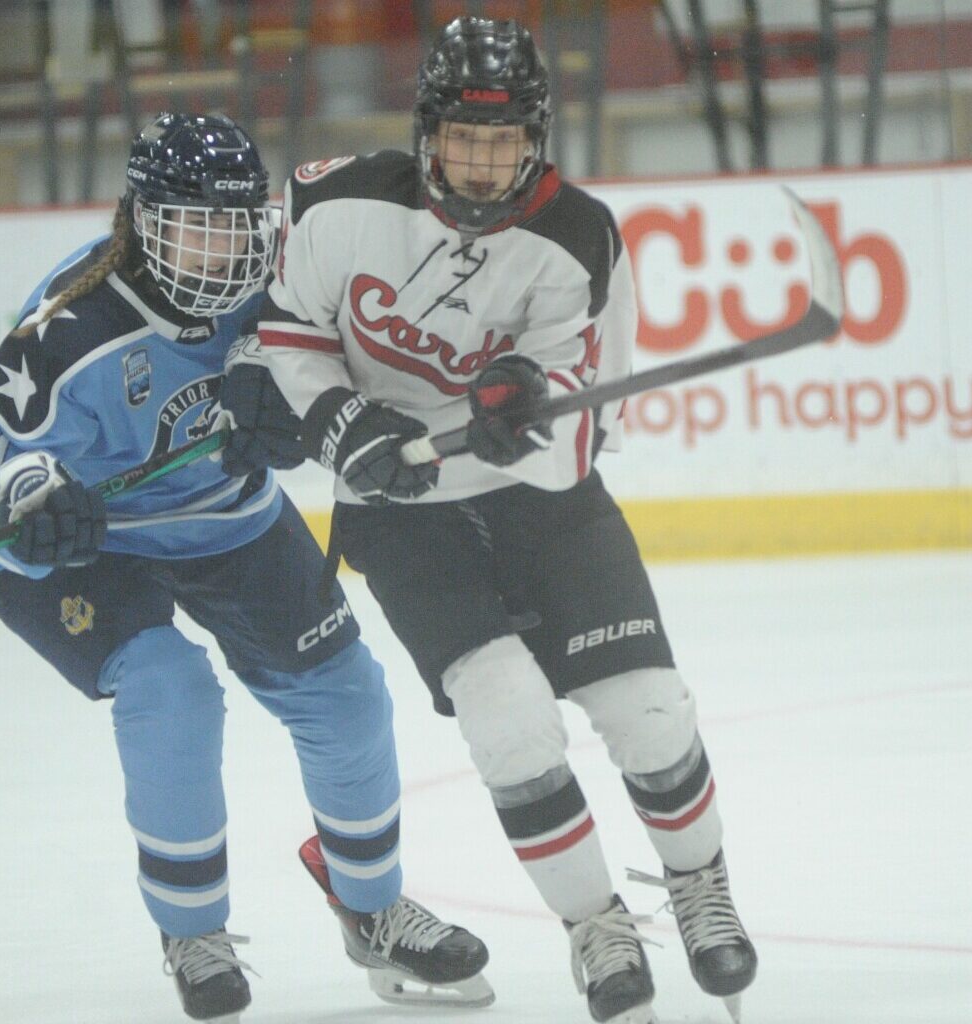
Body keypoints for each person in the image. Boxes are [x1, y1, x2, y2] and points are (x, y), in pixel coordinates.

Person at [255, 16, 759, 1024]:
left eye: (505, 143)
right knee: (511, 726)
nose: (483, 165)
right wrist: (338, 418)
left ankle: (701, 886)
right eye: (464, 140)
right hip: (400, 516)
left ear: (535, 139)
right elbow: (285, 331)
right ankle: (596, 928)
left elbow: (584, 420)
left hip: (541, 500)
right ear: (428, 130)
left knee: (649, 711)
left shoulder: (577, 236)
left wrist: (518, 403)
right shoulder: (335, 202)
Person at [0, 112, 491, 1023]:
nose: (222, 250)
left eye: (237, 222)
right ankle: (192, 927)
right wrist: (32, 503)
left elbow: (339, 367)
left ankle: (370, 909)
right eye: (195, 225)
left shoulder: (280, 279)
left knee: (346, 694)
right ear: (140, 221)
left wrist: (307, 408)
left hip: (228, 525)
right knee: (172, 688)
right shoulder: (69, 323)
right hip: (98, 544)